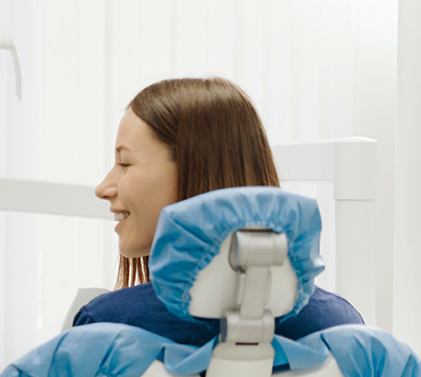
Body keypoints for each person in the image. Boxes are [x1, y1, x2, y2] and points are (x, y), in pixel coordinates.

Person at [73, 77, 364, 346]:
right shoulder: (342, 328)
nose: (103, 188)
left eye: (125, 163)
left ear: (194, 169)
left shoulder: (105, 327)